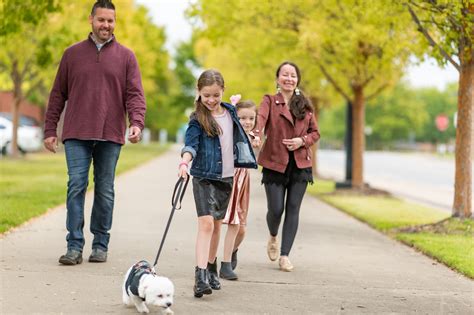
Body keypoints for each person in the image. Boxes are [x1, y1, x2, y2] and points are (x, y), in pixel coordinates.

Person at [43, 0, 146, 266]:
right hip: (77, 131)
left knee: (105, 190)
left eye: (110, 21)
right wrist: (50, 129)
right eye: (101, 20)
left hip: (110, 134)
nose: (106, 25)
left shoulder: (126, 56)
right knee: (76, 185)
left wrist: (136, 122)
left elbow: (135, 95)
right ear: (91, 20)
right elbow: (58, 95)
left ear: (115, 23)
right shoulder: (72, 54)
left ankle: (100, 244)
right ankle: (74, 246)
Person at [178, 70, 257, 298]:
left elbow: (242, 134)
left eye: (215, 95)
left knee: (216, 224)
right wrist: (184, 163)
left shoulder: (232, 112)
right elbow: (190, 144)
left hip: (226, 177)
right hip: (203, 175)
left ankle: (212, 266)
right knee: (206, 225)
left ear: (223, 90)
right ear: (199, 93)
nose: (211, 100)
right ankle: (200, 276)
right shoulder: (197, 118)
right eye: (206, 96)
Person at [253, 61, 320, 272]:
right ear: (278, 79)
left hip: (300, 165)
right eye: (285, 74)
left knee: (293, 209)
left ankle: (285, 256)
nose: (289, 78)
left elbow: (315, 133)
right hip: (275, 162)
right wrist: (256, 132)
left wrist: (302, 141)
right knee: (276, 209)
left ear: (297, 79)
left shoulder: (305, 105)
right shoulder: (270, 101)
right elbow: (261, 118)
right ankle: (273, 235)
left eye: (293, 75)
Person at [220, 96, 258, 280]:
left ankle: (232, 250)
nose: (247, 122)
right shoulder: (230, 132)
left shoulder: (252, 138)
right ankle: (223, 264)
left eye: (251, 118)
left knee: (242, 228)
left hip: (243, 182)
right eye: (243, 118)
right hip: (229, 179)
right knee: (228, 222)